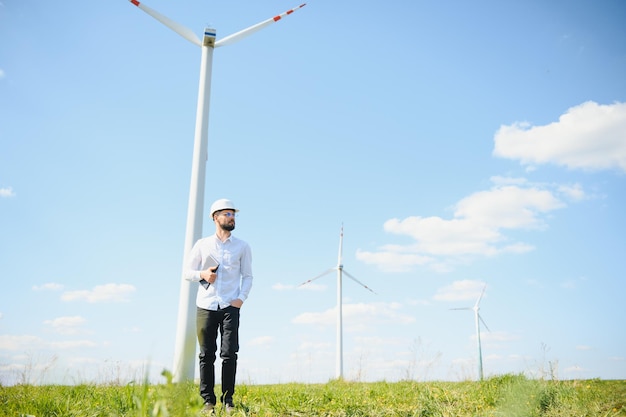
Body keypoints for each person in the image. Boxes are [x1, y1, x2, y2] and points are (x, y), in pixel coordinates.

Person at [183, 198, 253, 413]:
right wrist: (202, 274)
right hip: (205, 306)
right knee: (206, 354)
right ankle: (208, 401)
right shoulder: (202, 244)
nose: (231, 218)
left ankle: (228, 400)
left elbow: (248, 276)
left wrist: (240, 299)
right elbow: (187, 273)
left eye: (233, 214)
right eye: (227, 214)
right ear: (215, 217)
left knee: (229, 353)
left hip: (230, 307)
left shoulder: (242, 246)